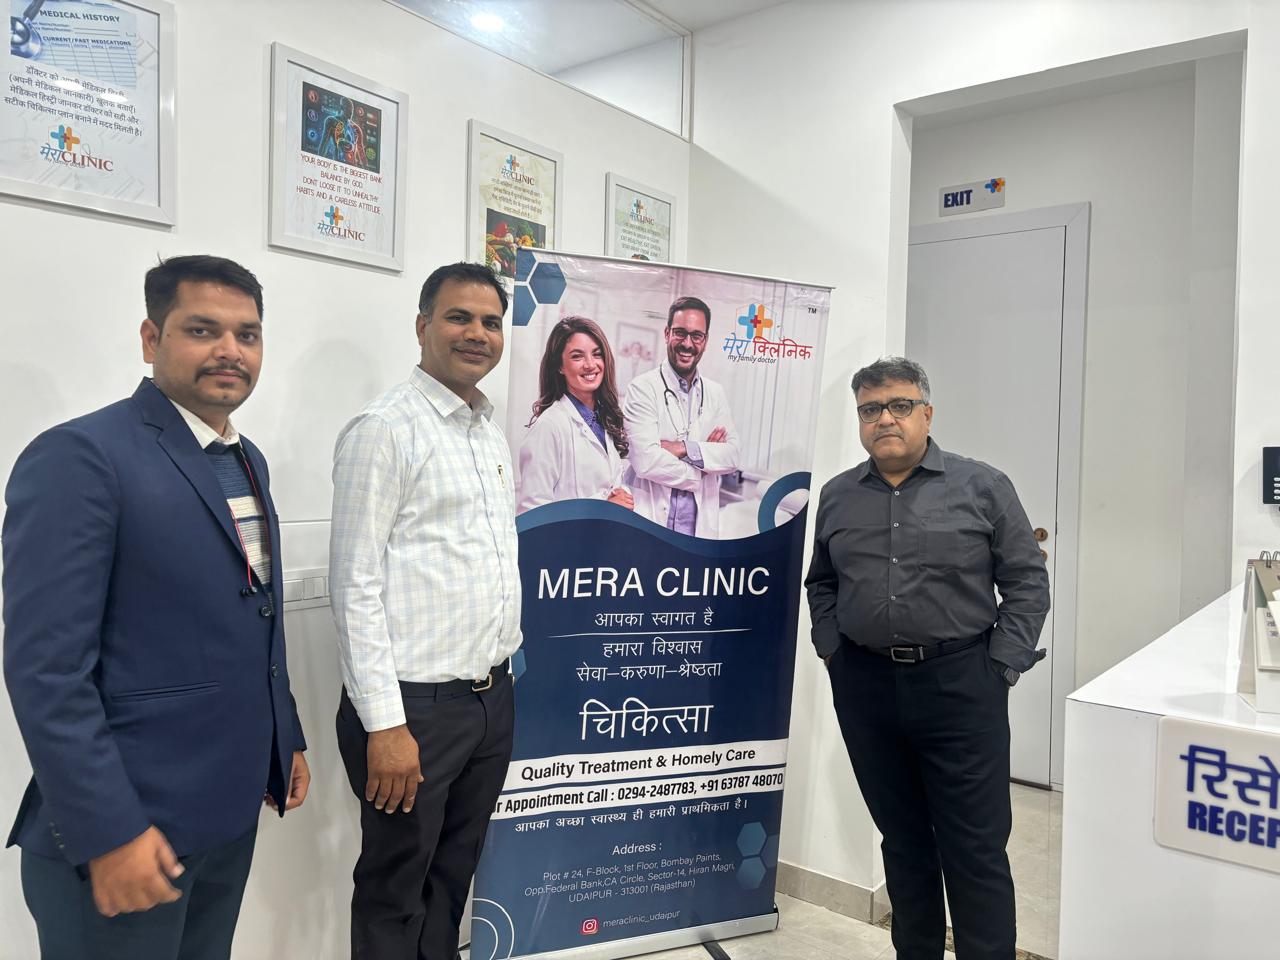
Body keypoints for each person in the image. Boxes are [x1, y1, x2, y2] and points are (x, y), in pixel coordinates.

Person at [2, 255, 310, 960]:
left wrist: (282, 734)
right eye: (202, 330)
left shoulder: (246, 459)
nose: (230, 350)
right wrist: (108, 831)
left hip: (224, 815)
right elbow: (47, 671)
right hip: (125, 832)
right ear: (151, 339)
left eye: (247, 334)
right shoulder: (81, 456)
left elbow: (253, 614)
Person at [805, 357, 1050, 960]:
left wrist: (1002, 665)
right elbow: (823, 583)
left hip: (962, 685)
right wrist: (832, 649)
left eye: (899, 405)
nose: (885, 419)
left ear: (927, 413)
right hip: (866, 688)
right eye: (870, 409)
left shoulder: (982, 486)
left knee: (974, 849)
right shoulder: (838, 495)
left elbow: (1026, 580)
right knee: (904, 842)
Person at [329, 261, 520, 960]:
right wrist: (385, 724)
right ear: (422, 326)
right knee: (396, 888)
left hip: (489, 699)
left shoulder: (486, 430)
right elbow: (354, 586)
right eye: (458, 317)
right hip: (413, 710)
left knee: (451, 879)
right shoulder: (385, 429)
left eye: (491, 322)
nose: (477, 333)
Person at [622, 296, 740, 537]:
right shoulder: (642, 388)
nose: (687, 343)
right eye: (680, 333)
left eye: (696, 336)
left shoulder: (715, 393)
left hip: (697, 531)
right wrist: (702, 468)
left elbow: (732, 455)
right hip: (651, 522)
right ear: (667, 333)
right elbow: (645, 462)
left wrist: (683, 448)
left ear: (705, 341)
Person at [517, 315, 633, 514]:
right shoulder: (549, 426)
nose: (590, 364)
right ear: (560, 366)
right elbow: (532, 512)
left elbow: (608, 487)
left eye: (597, 354)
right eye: (577, 356)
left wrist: (622, 493)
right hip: (573, 535)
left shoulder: (604, 419)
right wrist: (603, 507)